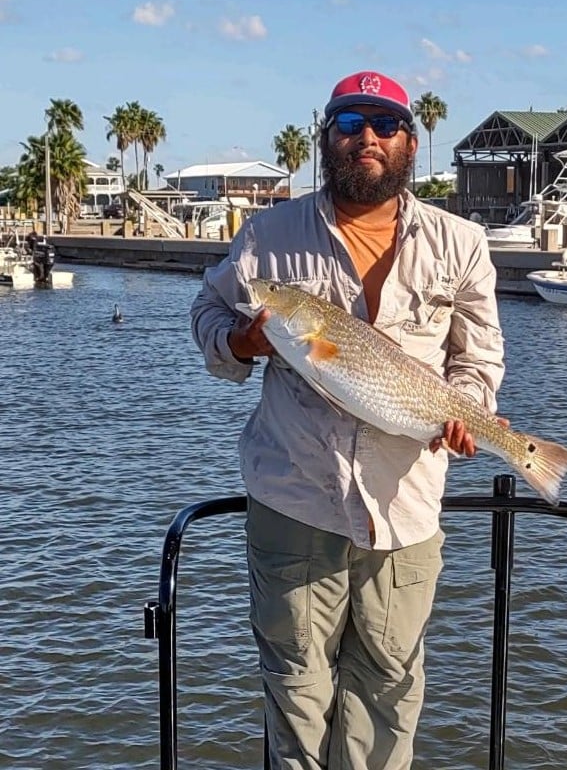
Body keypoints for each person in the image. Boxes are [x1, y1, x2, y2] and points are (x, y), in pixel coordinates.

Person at [190, 70, 505, 769]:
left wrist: (469, 413)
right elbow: (209, 312)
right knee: (297, 688)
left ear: (410, 142)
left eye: (385, 124)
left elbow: (477, 360)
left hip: (407, 505)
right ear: (326, 136)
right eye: (349, 122)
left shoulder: (460, 243)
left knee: (389, 689)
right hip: (294, 498)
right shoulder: (269, 234)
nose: (367, 136)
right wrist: (242, 340)